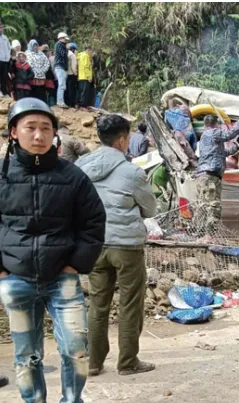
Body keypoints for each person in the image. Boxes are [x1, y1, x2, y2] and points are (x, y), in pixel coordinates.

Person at [0, 98, 106, 402]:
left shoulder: (72, 176)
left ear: (55, 133)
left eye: (46, 128)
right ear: (14, 132)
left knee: (76, 350)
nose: (39, 135)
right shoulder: (2, 175)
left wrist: (76, 264)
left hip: (62, 278)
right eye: (30, 127)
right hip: (16, 279)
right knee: (26, 354)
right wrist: (2, 271)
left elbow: (93, 222)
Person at [76, 114, 157, 377]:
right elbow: (150, 209)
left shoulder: (80, 166)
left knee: (97, 304)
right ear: (122, 139)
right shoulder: (132, 172)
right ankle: (127, 362)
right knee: (130, 304)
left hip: (94, 244)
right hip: (126, 246)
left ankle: (94, 362)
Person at [194, 113, 239, 231]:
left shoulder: (204, 136)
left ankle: (200, 232)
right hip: (211, 175)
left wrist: (237, 147)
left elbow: (222, 153)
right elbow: (229, 134)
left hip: (203, 175)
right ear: (216, 124)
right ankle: (210, 234)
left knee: (203, 205)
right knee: (213, 206)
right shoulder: (214, 132)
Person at [54, 32, 70, 108]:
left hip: (62, 67)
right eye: (65, 39)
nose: (66, 41)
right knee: (61, 85)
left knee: (62, 85)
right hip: (60, 67)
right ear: (61, 38)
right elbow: (63, 54)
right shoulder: (59, 44)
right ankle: (60, 102)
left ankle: (61, 101)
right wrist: (67, 49)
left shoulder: (62, 45)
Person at [65, 42, 78, 108]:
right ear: (73, 49)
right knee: (72, 90)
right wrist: (76, 74)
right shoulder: (72, 55)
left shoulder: (66, 53)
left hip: (66, 74)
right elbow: (73, 66)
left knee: (67, 89)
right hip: (71, 74)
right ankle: (72, 104)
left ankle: (67, 103)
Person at [0, 22, 11, 97]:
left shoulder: (5, 37)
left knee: (4, 77)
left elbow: (9, 48)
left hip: (6, 60)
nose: (1, 29)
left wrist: (8, 56)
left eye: (1, 27)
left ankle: (4, 91)